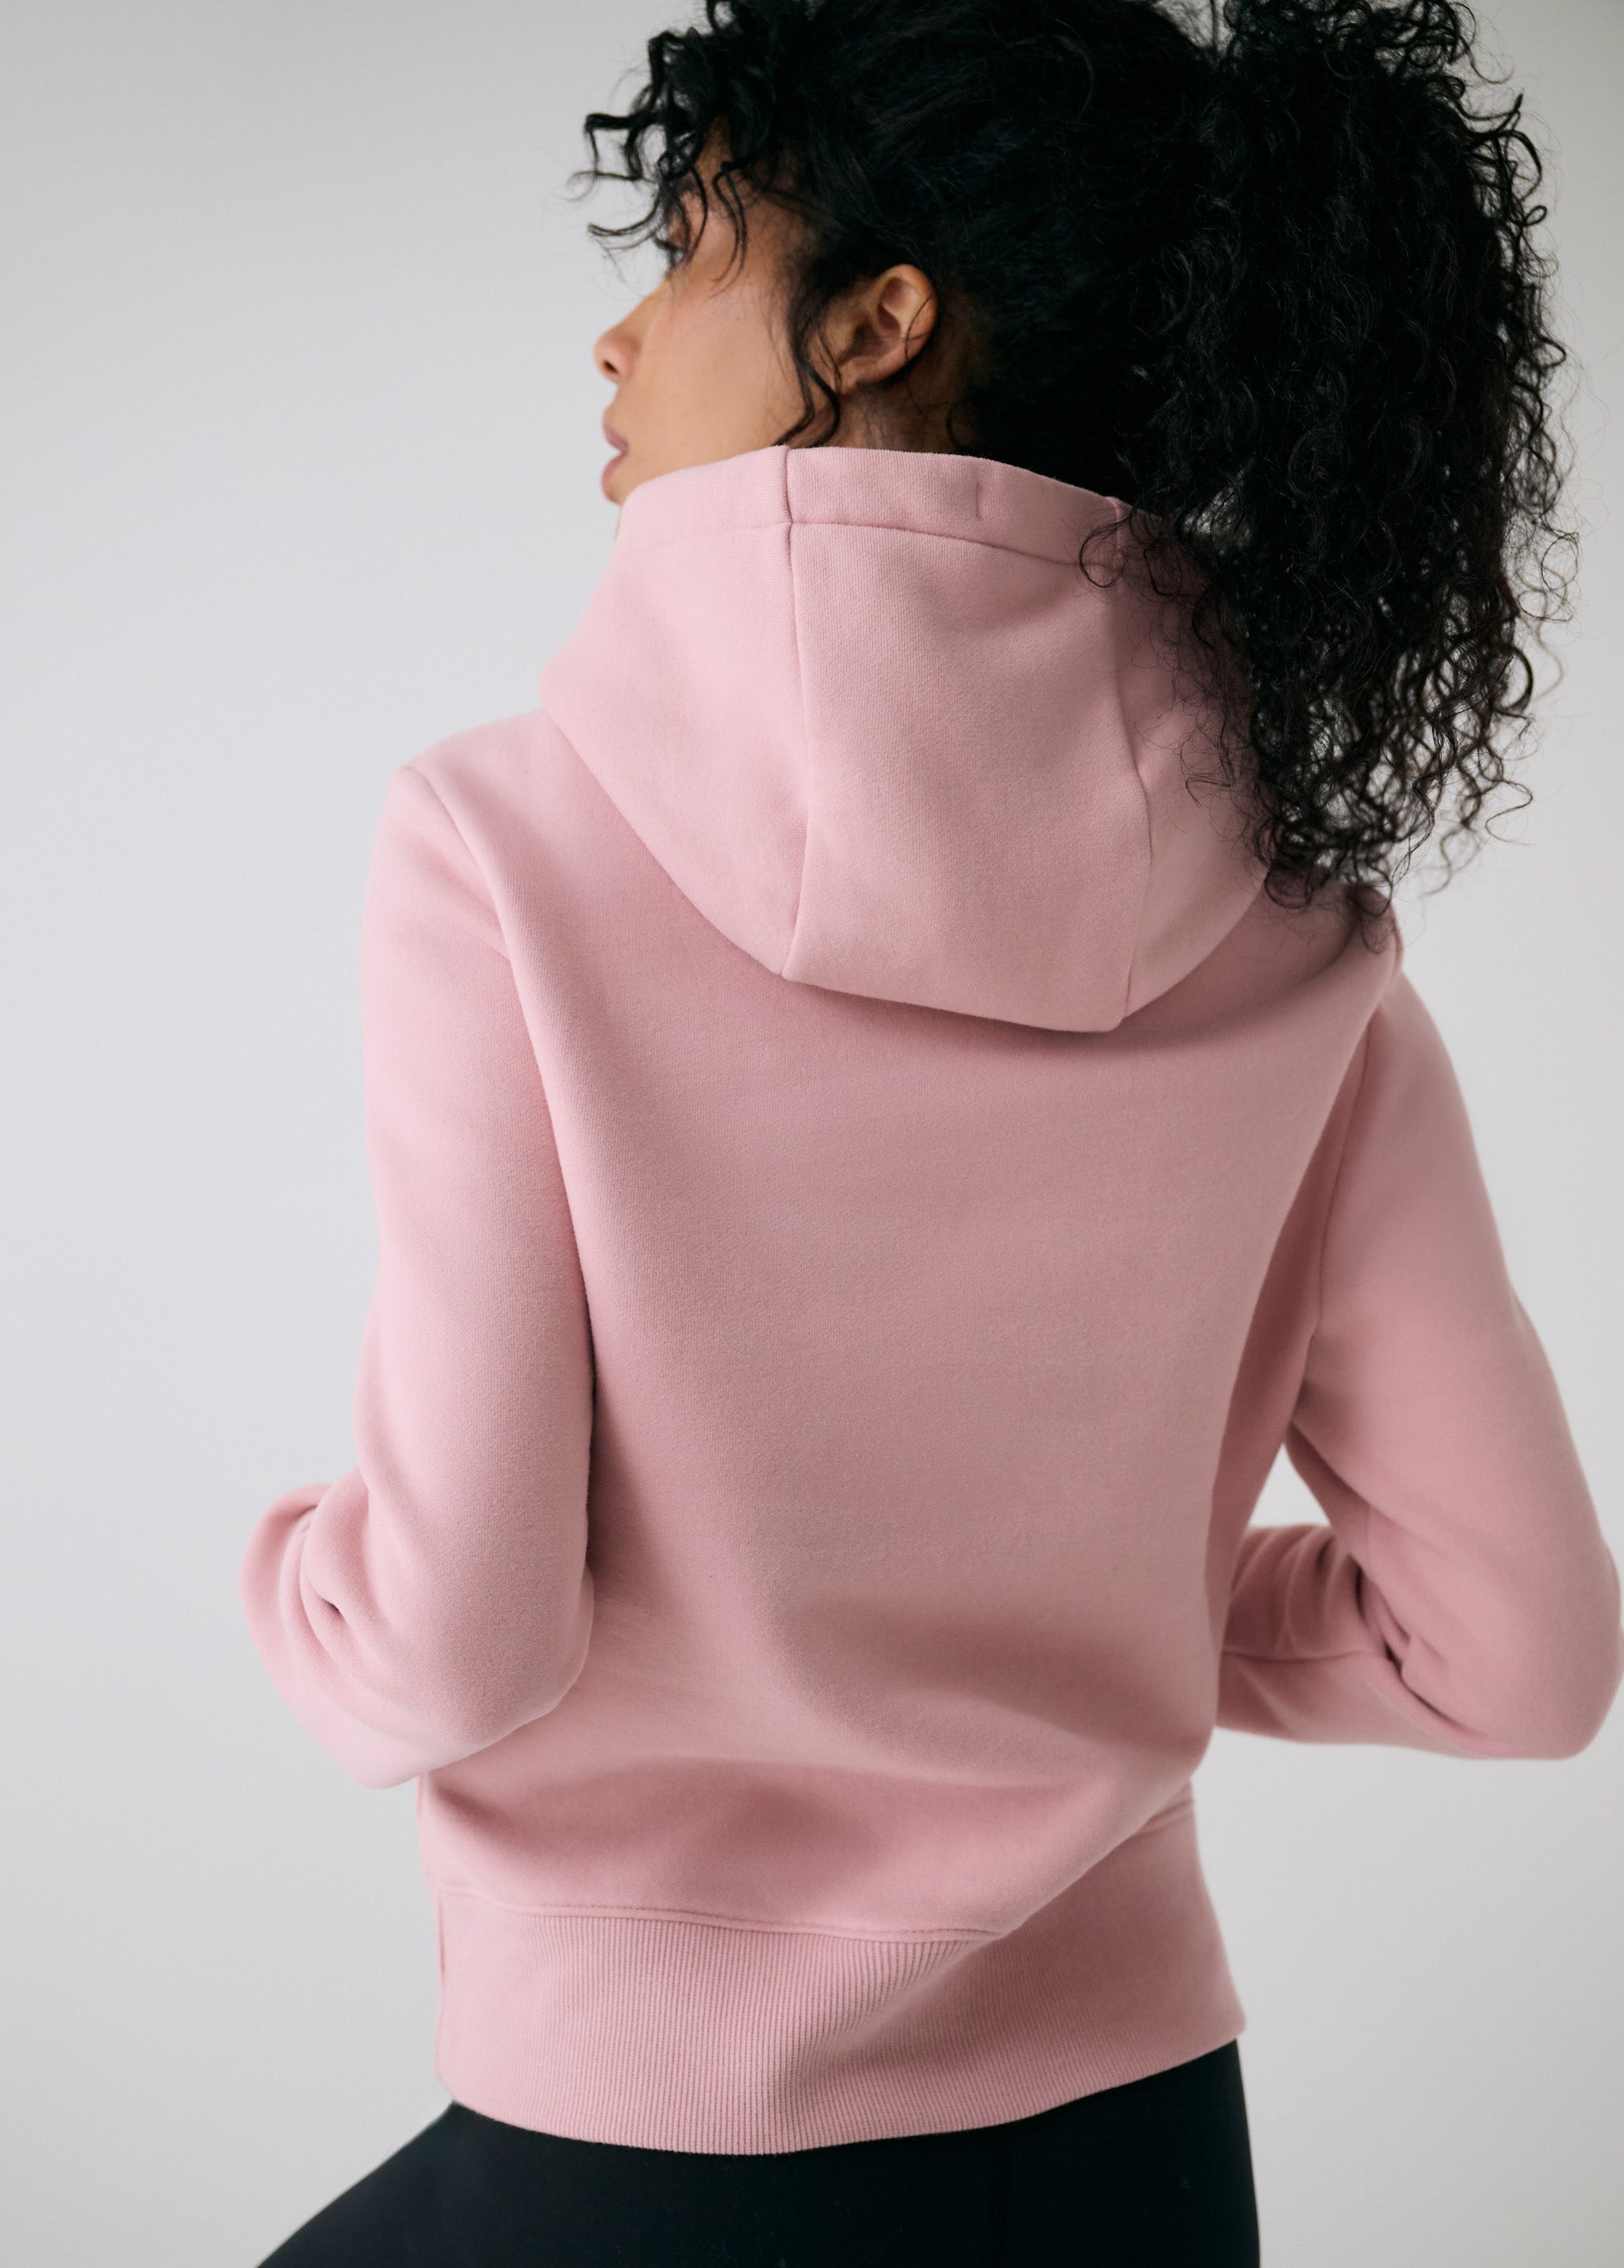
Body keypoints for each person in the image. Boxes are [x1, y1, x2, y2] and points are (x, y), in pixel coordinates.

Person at [243, 2, 1622, 2262]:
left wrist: (291, 1579)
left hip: (638, 2161)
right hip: (1136, 2160)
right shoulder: (1315, 952)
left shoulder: (501, 850)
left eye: (693, 248)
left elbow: (448, 1642)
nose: (620, 334)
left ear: (878, 320)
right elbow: (1523, 1653)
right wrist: (1091, 1605)